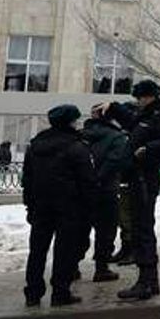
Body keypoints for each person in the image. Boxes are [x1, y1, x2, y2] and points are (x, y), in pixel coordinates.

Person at [98, 79, 160, 301]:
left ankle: (145, 281)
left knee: (143, 228)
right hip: (137, 177)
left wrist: (148, 150)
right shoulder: (146, 116)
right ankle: (150, 281)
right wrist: (113, 107)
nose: (139, 101)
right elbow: (133, 122)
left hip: (146, 177)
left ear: (151, 96)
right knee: (140, 226)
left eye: (142, 97)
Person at [22, 104, 97, 307]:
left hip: (41, 206)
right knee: (64, 251)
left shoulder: (36, 145)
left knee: (37, 250)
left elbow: (27, 180)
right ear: (71, 122)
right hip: (69, 208)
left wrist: (30, 205)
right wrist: (90, 210)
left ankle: (32, 292)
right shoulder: (77, 147)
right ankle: (60, 292)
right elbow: (87, 181)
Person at [80, 106, 131, 282]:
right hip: (106, 191)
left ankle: (71, 267)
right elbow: (116, 162)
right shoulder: (117, 137)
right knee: (106, 231)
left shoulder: (80, 135)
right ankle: (101, 268)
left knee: (78, 230)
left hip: (82, 191)